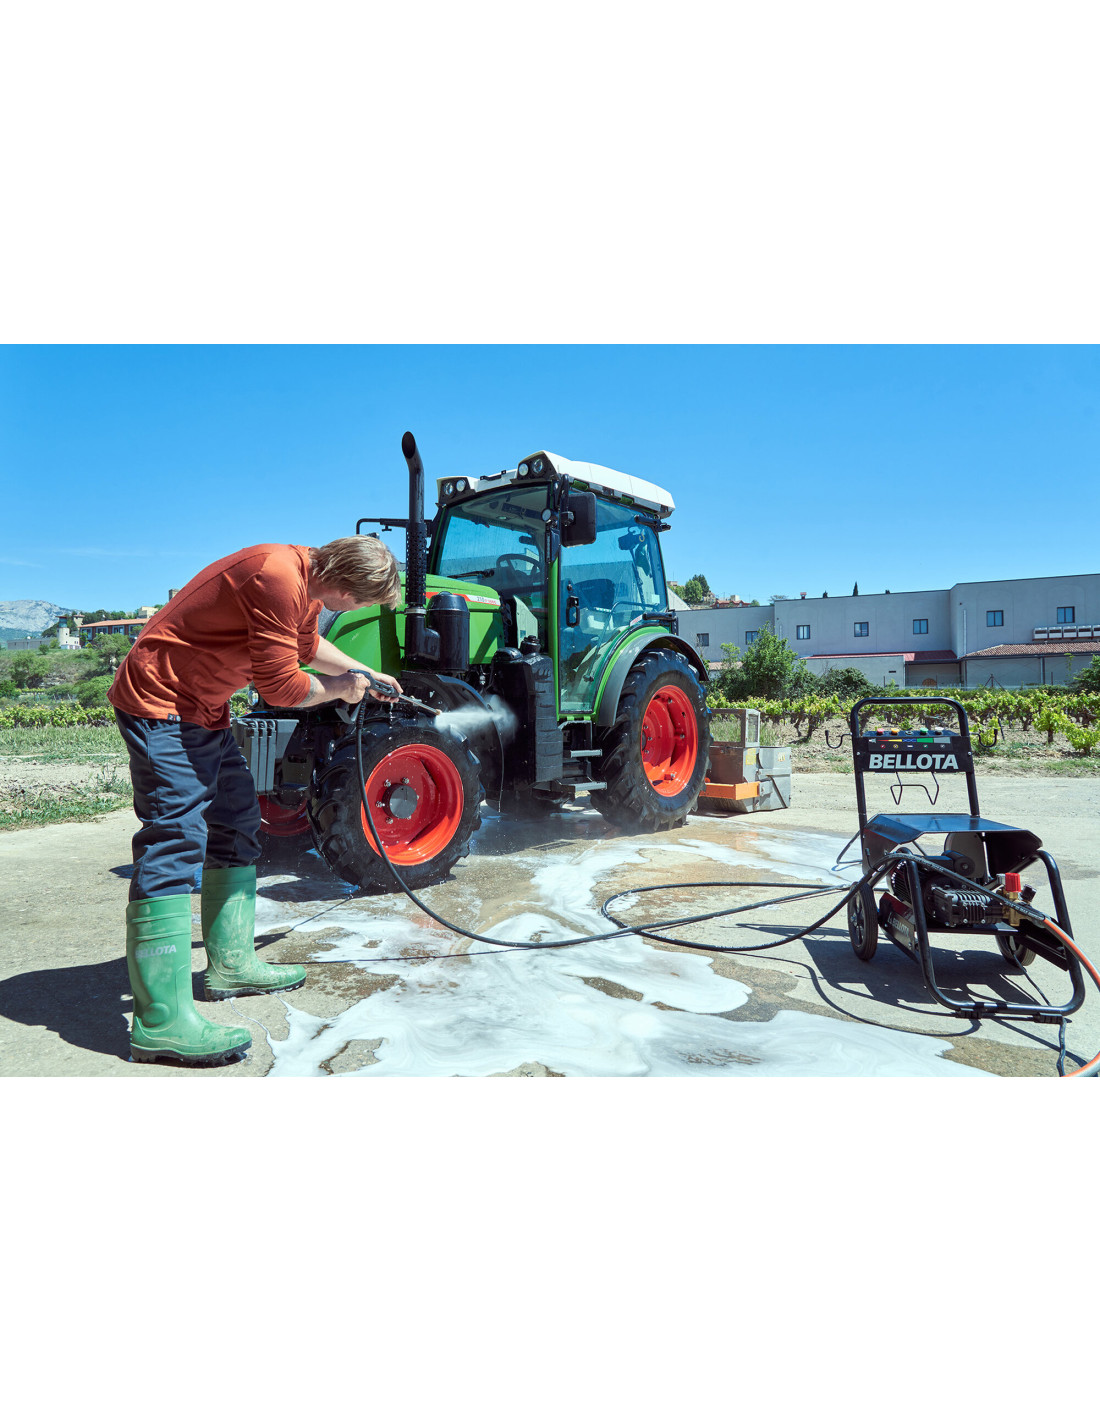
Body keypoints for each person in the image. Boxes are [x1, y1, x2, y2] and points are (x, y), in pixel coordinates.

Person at [108, 536, 403, 1067]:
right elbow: (281, 688)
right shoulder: (277, 575)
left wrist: (363, 672)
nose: (357, 608)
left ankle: (230, 966)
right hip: (161, 701)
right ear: (344, 585)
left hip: (202, 707)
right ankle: (160, 1023)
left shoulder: (306, 582)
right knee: (175, 839)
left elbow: (306, 646)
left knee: (238, 819)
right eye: (361, 601)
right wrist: (340, 689)